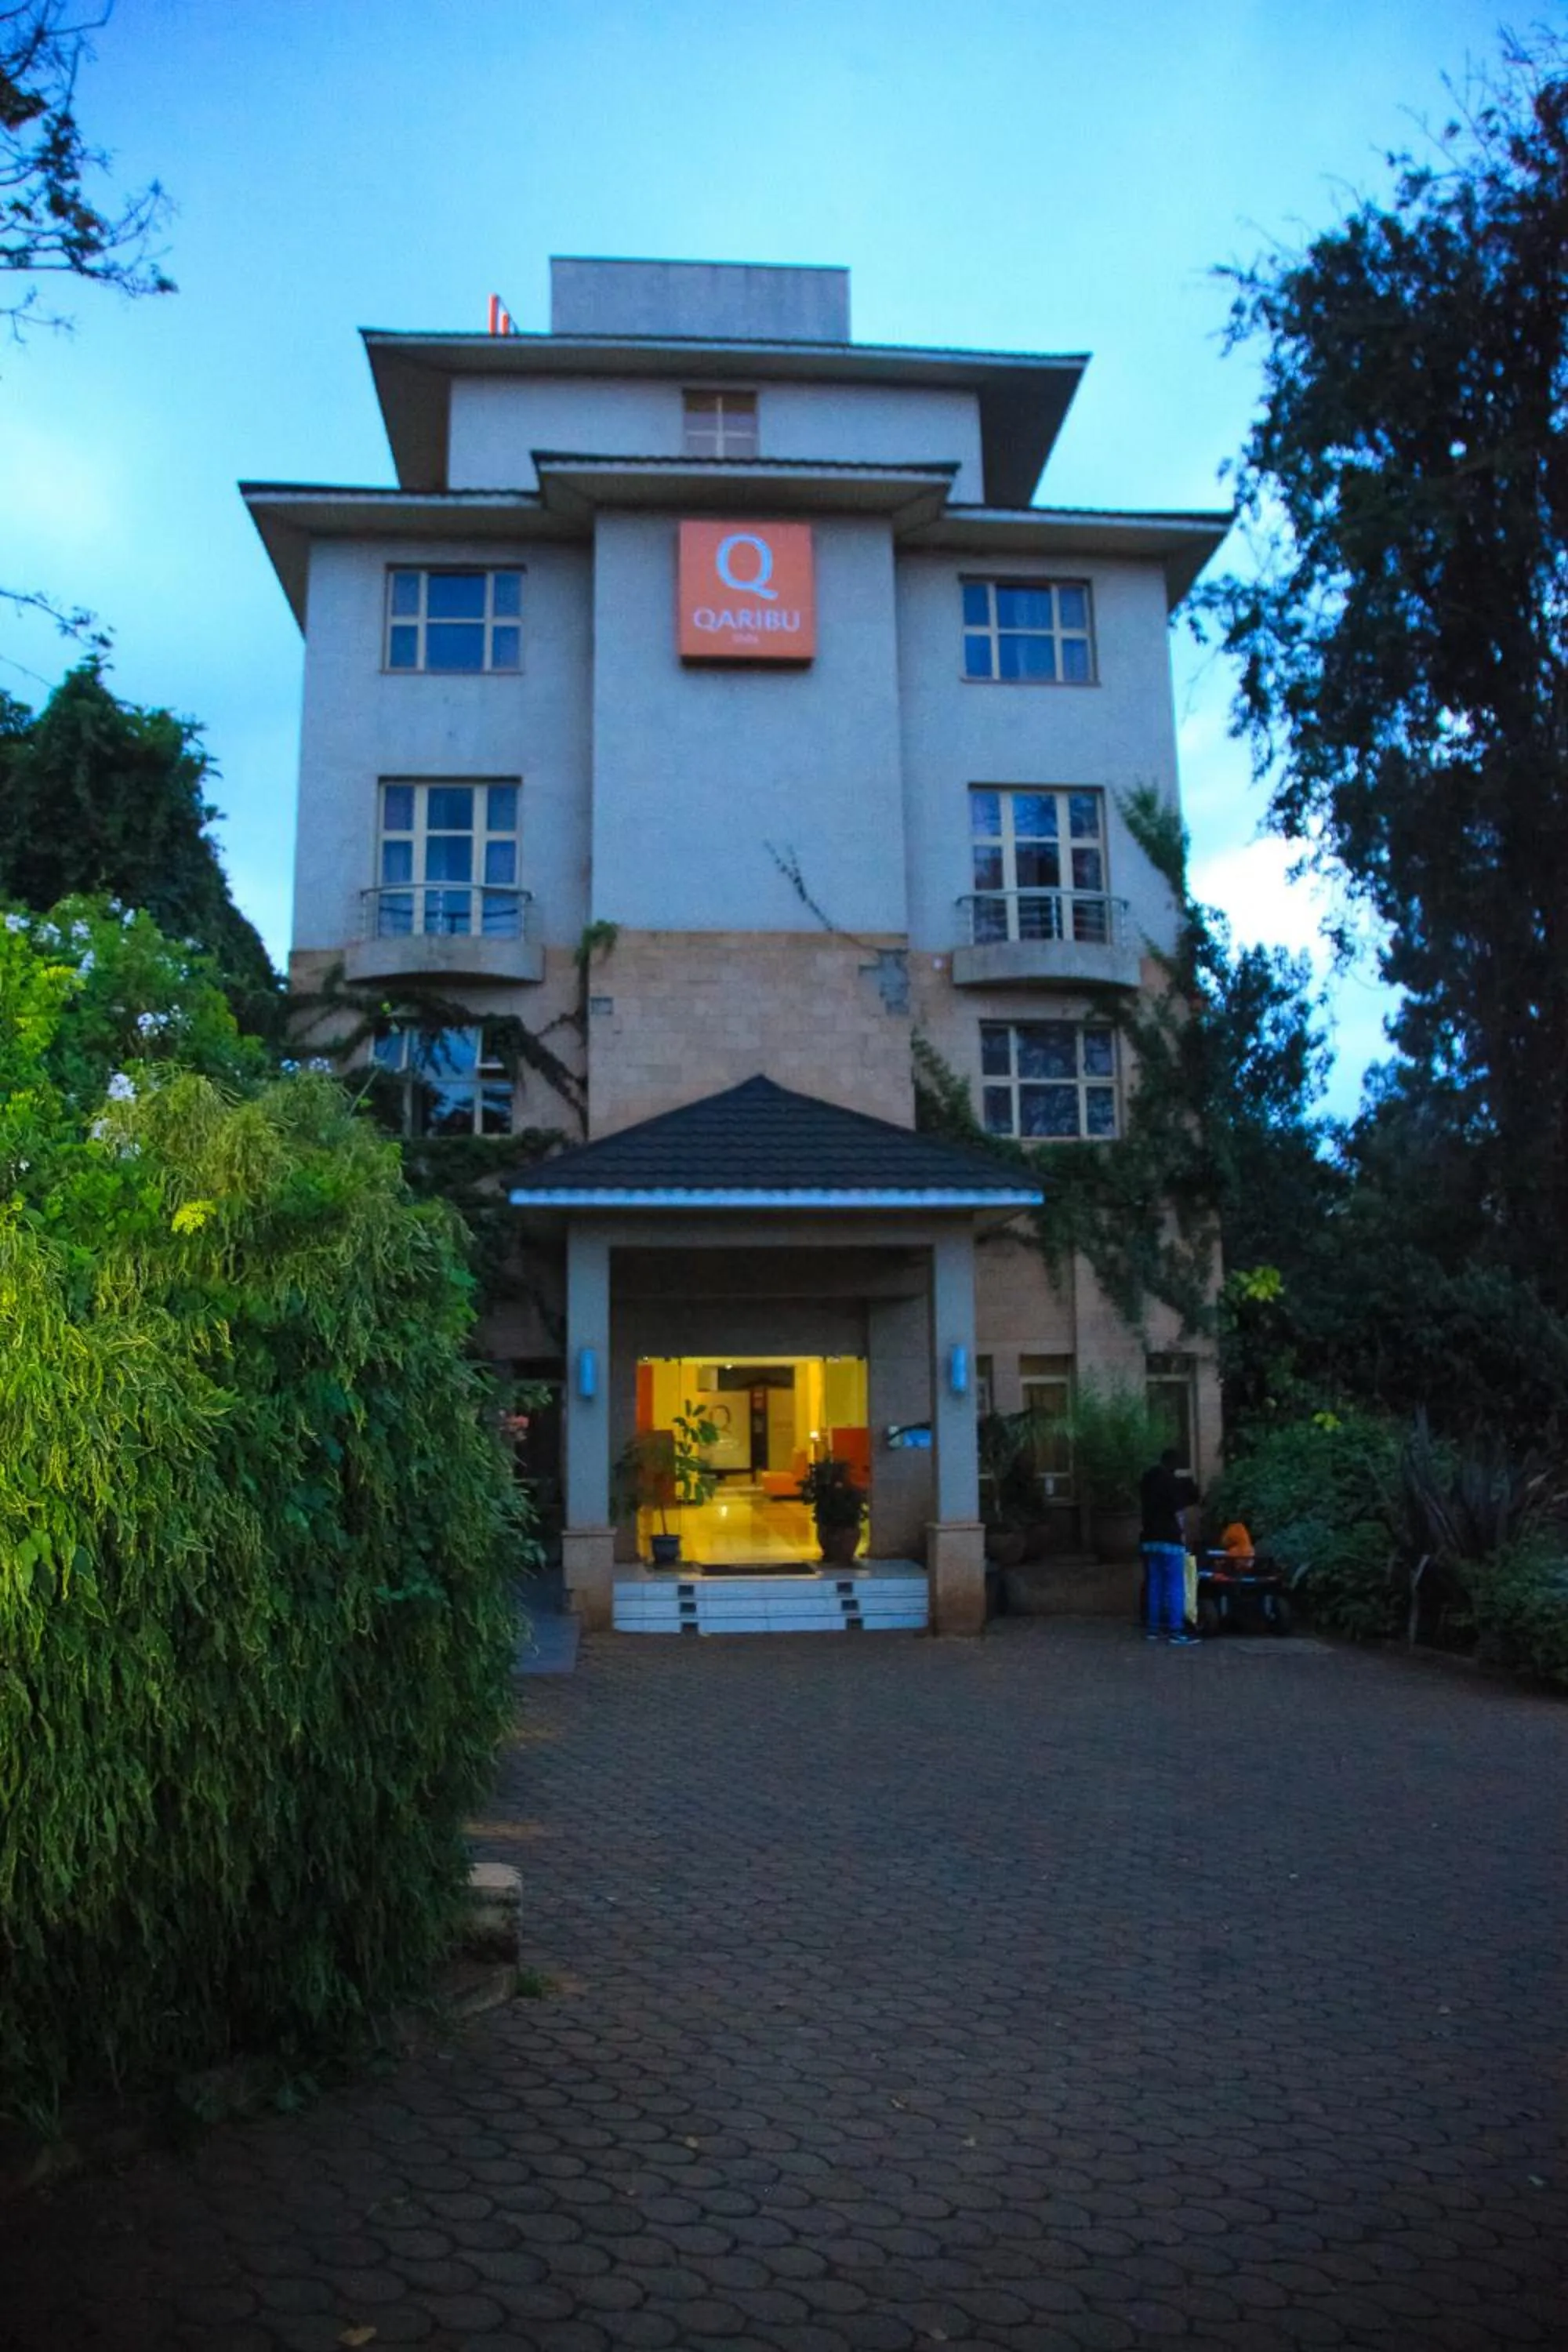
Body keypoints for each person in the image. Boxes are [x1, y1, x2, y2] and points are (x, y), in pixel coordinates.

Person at [1140, 1446, 1200, 1645]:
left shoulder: (1148, 1481)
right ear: (1174, 1464)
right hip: (1170, 1539)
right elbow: (1178, 1513)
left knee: (1155, 1584)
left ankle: (1153, 1629)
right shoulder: (1172, 1483)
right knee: (1176, 1584)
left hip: (1149, 1539)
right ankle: (1176, 1631)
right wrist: (1182, 1534)